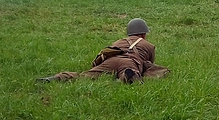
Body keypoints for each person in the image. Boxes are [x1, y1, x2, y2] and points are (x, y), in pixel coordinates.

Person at [37, 18, 169, 84]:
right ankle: (127, 76)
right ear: (144, 34)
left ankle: (58, 77)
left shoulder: (119, 41)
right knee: (133, 76)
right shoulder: (149, 45)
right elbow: (147, 64)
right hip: (130, 62)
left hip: (111, 60)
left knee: (84, 76)